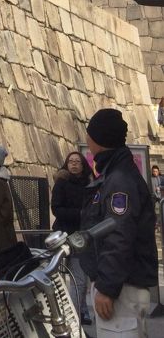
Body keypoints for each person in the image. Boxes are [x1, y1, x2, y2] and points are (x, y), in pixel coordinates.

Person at [80, 108, 157, 338]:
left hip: (121, 290)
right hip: (121, 286)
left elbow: (118, 235)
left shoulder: (119, 179)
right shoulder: (115, 173)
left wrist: (106, 287)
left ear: (98, 139)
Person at [51, 151, 92, 325]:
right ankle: (75, 315)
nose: (74, 164)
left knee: (81, 278)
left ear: (83, 165)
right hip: (64, 235)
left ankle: (81, 311)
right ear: (66, 165)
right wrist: (80, 214)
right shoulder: (61, 183)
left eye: (77, 161)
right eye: (71, 161)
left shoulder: (90, 184)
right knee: (67, 278)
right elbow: (56, 209)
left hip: (82, 237)